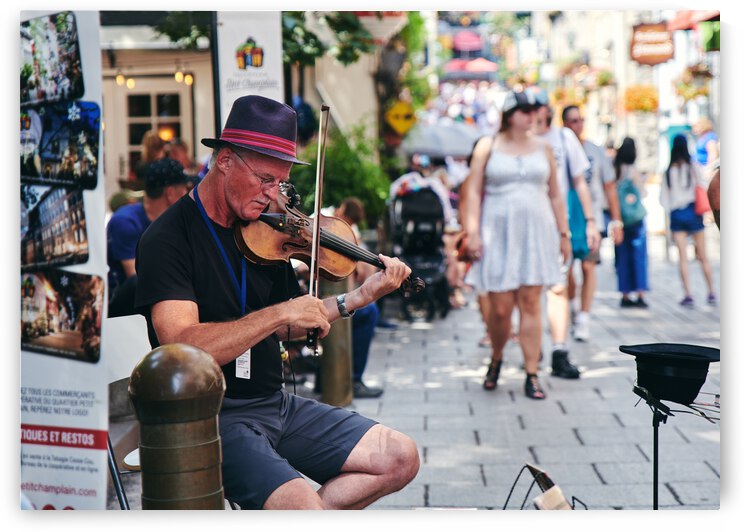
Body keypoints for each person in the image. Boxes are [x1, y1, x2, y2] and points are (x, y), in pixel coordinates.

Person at [134, 95, 419, 510]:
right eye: (266, 179)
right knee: (302, 508)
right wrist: (277, 314)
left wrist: (361, 296)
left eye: (281, 183)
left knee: (400, 457)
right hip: (214, 416)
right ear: (225, 160)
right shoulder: (168, 239)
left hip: (274, 403)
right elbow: (183, 346)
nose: (274, 197)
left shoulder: (264, 232)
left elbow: (292, 322)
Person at [460, 88, 572, 400]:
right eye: (525, 110)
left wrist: (564, 234)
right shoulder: (488, 145)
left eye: (535, 110)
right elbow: (471, 191)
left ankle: (532, 372)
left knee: (532, 302)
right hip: (497, 231)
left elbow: (555, 193)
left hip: (537, 232)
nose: (532, 115)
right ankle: (496, 357)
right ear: (509, 115)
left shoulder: (545, 147)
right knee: (499, 310)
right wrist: (472, 232)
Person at [532, 91, 600, 379]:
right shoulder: (512, 140)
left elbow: (580, 183)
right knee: (529, 292)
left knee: (558, 287)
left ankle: (559, 351)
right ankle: (531, 350)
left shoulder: (563, 139)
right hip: (526, 226)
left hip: (557, 224)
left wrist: (590, 220)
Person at [561, 105, 623, 341]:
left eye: (580, 120)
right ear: (564, 123)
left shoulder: (595, 152)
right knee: (566, 270)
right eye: (573, 121)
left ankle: (584, 317)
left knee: (588, 267)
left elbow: (609, 186)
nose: (577, 125)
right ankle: (573, 305)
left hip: (591, 218)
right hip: (565, 220)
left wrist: (616, 221)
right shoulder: (557, 150)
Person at [106, 158, 195, 311]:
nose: (187, 194)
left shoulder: (171, 223)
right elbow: (137, 280)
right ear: (170, 193)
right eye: (185, 188)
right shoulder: (126, 222)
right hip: (121, 311)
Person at [335, 198, 384, 398]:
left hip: (338, 293)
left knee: (369, 309)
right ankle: (354, 379)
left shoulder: (345, 229)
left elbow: (364, 270)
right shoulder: (338, 228)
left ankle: (345, 378)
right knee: (370, 312)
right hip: (327, 296)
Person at [661, 134, 717, 307]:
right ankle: (711, 292)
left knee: (683, 257)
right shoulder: (692, 167)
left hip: (677, 215)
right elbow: (703, 185)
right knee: (703, 256)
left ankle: (688, 293)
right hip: (693, 212)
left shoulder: (668, 171)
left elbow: (664, 200)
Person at [613, 137, 650, 308]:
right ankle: (640, 292)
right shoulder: (633, 171)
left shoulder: (615, 170)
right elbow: (642, 193)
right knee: (639, 257)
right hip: (636, 219)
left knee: (622, 258)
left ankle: (625, 294)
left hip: (619, 219)